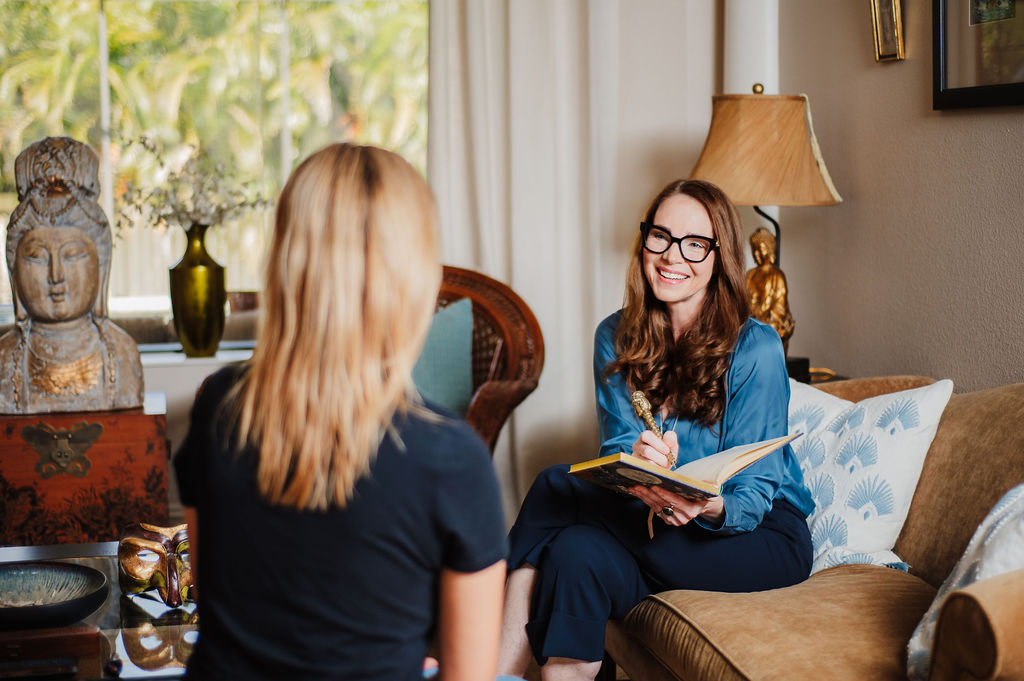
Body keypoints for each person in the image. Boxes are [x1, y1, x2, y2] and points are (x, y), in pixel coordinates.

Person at [173, 143, 508, 681]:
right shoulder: (453, 459)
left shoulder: (218, 406)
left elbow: (220, 604)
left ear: (286, 262)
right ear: (415, 276)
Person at [497, 179, 814, 681]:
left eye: (694, 243)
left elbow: (753, 494)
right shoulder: (615, 335)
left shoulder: (756, 347)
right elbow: (618, 452)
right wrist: (643, 465)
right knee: (573, 552)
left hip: (758, 536)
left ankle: (495, 674)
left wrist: (704, 503)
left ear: (719, 256)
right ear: (643, 241)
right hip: (657, 521)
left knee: (557, 487)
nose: (672, 256)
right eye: (660, 237)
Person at [1, 136, 142, 414]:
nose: (56, 275)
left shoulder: (122, 355)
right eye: (37, 258)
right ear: (14, 273)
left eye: (73, 255)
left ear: (101, 267)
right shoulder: (5, 360)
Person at [745, 226, 795, 351]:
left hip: (767, 325)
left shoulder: (776, 275)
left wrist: (762, 323)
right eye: (754, 250)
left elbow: (779, 309)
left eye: (760, 249)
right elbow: (742, 301)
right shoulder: (750, 274)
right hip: (748, 324)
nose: (756, 254)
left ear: (769, 249)